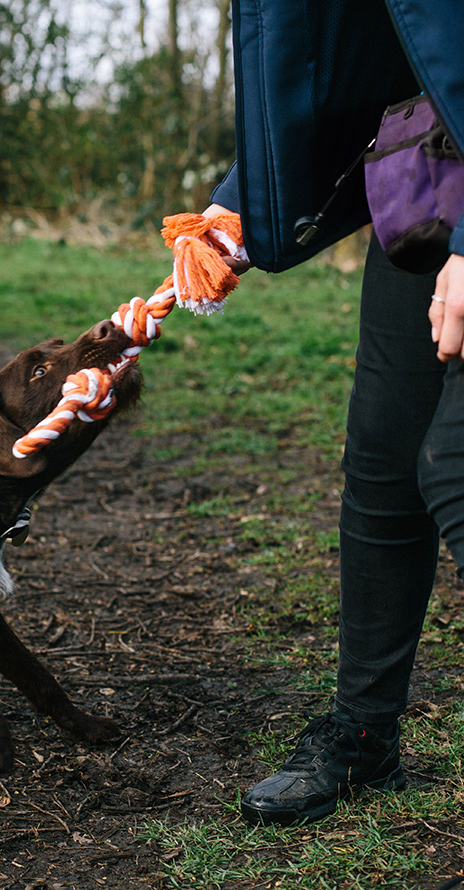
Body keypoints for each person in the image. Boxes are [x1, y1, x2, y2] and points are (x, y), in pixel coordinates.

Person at [202, 0, 464, 825]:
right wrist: (250, 197)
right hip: (434, 172)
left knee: (455, 468)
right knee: (384, 465)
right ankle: (364, 737)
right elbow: (362, 50)